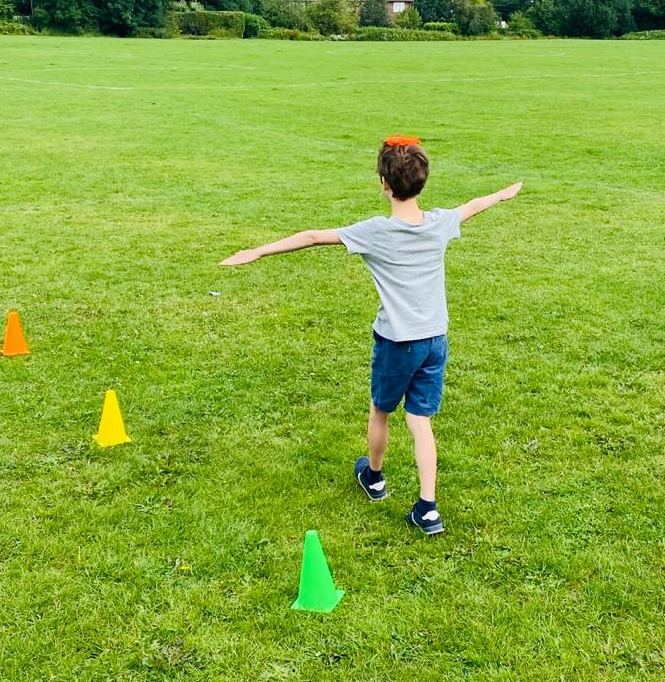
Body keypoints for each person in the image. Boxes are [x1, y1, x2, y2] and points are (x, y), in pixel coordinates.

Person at [221, 136, 522, 535]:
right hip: (435, 340)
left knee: (381, 409)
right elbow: (469, 208)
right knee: (420, 420)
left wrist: (257, 252)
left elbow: (312, 236)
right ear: (423, 182)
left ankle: (375, 478)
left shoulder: (376, 232)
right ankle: (428, 509)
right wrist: (501, 194)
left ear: (384, 183)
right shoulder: (439, 223)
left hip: (397, 342)